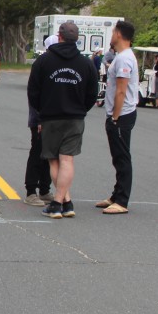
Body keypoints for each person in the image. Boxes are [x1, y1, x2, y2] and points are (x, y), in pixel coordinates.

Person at [26, 21, 98, 219]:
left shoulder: (43, 61)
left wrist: (41, 112)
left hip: (51, 117)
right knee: (67, 159)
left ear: (60, 36)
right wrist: (81, 109)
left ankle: (57, 203)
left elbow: (33, 91)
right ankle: (66, 202)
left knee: (54, 161)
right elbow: (93, 93)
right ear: (77, 39)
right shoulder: (86, 63)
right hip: (75, 118)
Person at [97, 20, 138, 215]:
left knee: (122, 157)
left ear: (119, 34)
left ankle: (122, 201)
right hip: (119, 114)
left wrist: (115, 117)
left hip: (122, 115)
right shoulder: (122, 56)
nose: (112, 35)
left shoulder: (124, 59)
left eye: (113, 32)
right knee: (117, 157)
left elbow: (121, 90)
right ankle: (116, 195)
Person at [23, 104, 54, 206]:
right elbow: (34, 98)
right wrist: (40, 119)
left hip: (53, 120)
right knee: (37, 153)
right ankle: (31, 192)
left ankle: (44, 190)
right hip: (40, 119)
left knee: (49, 155)